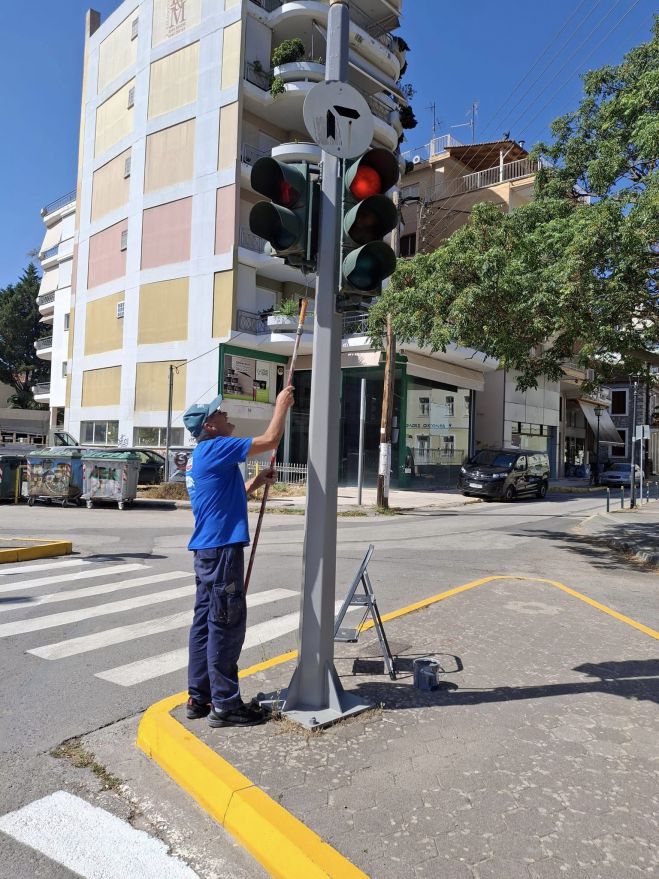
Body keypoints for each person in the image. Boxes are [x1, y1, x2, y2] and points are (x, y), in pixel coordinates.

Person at [182, 386, 294, 728]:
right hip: (221, 552)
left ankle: (199, 696)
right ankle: (226, 704)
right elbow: (271, 440)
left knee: (205, 622)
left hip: (207, 551)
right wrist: (281, 406)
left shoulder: (202, 456)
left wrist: (257, 482)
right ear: (210, 426)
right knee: (226, 624)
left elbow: (224, 502)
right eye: (219, 413)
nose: (226, 415)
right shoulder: (217, 447)